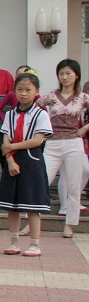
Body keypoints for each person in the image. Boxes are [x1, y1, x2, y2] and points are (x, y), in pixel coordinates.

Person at [0, 72, 52, 256]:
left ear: (36, 92)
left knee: (32, 205)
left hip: (32, 161)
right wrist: (10, 160)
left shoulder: (41, 114)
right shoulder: (10, 115)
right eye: (20, 89)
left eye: (28, 90)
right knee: (12, 205)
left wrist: (13, 146)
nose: (24, 94)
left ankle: (35, 244)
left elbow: (37, 140)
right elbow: (5, 140)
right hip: (13, 161)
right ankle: (14, 242)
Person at [35, 59, 89, 238]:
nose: (65, 77)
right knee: (41, 181)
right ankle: (33, 222)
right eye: (61, 73)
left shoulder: (83, 97)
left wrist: (85, 128)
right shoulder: (51, 96)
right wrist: (42, 130)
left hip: (74, 142)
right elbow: (35, 109)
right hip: (52, 143)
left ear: (76, 75)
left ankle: (70, 224)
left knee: (74, 186)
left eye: (68, 73)